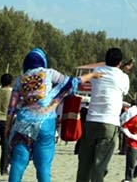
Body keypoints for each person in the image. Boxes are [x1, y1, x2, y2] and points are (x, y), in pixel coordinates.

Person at [7, 48, 101, 182]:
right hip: (45, 122)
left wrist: (7, 127)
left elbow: (11, 107)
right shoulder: (49, 73)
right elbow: (72, 82)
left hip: (22, 125)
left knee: (18, 163)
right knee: (43, 167)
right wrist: (91, 75)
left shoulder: (19, 80)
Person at [76, 48, 132, 182]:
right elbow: (124, 91)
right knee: (99, 165)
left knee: (85, 162)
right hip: (109, 122)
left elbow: (106, 75)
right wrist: (123, 70)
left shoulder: (97, 71)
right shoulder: (123, 77)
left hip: (91, 120)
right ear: (120, 62)